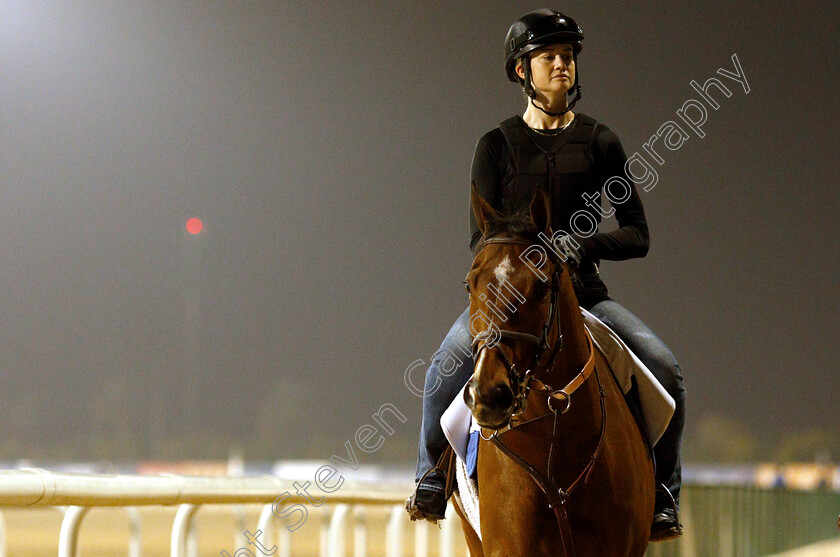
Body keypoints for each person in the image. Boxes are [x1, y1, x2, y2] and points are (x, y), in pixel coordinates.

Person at [405, 9, 686, 542]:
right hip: (512, 304)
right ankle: (428, 478)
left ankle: (664, 495)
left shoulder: (602, 142)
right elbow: (479, 241)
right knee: (443, 368)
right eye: (549, 57)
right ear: (521, 71)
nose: (562, 65)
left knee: (665, 368)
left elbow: (637, 234)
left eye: (568, 56)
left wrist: (582, 243)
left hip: (585, 298)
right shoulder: (494, 146)